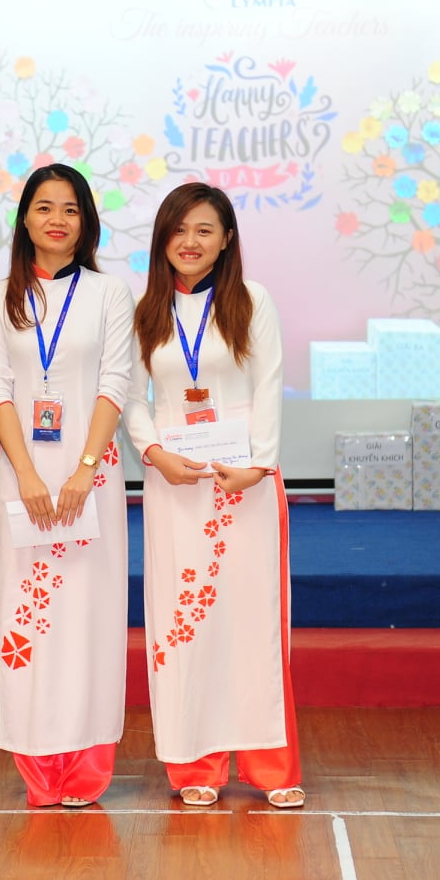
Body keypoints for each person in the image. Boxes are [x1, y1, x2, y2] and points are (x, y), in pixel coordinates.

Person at [122, 181, 304, 809]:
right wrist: (153, 453)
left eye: (204, 229)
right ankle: (194, 764)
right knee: (185, 624)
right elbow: (130, 398)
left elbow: (269, 384)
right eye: (179, 229)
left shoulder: (253, 301)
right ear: (161, 239)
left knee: (251, 623)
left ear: (227, 238)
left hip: (245, 485)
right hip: (175, 484)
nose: (190, 241)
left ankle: (270, 766)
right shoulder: (145, 310)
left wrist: (259, 465)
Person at [0, 164, 134, 809]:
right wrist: (26, 475)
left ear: (86, 221)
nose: (57, 220)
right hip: (25, 475)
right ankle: (40, 765)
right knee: (29, 615)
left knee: (91, 613)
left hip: (91, 476)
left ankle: (89, 765)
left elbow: (115, 381)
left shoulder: (109, 293)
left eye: (70, 209)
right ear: (24, 219)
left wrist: (84, 468)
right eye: (44, 207)